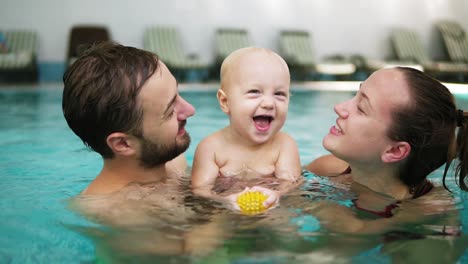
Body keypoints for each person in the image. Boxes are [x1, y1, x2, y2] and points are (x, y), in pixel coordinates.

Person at [303, 66, 468, 234]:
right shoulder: (327, 168)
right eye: (355, 94)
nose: (339, 107)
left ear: (395, 151)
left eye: (361, 108)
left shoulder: (431, 213)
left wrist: (324, 209)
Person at [191, 47, 302, 210]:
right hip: (223, 210)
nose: (269, 103)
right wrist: (226, 200)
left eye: (279, 94)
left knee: (287, 230)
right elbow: (200, 190)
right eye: (255, 92)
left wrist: (276, 194)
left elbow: (292, 183)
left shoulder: (284, 145)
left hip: (271, 208)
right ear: (225, 101)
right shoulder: (211, 148)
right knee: (204, 234)